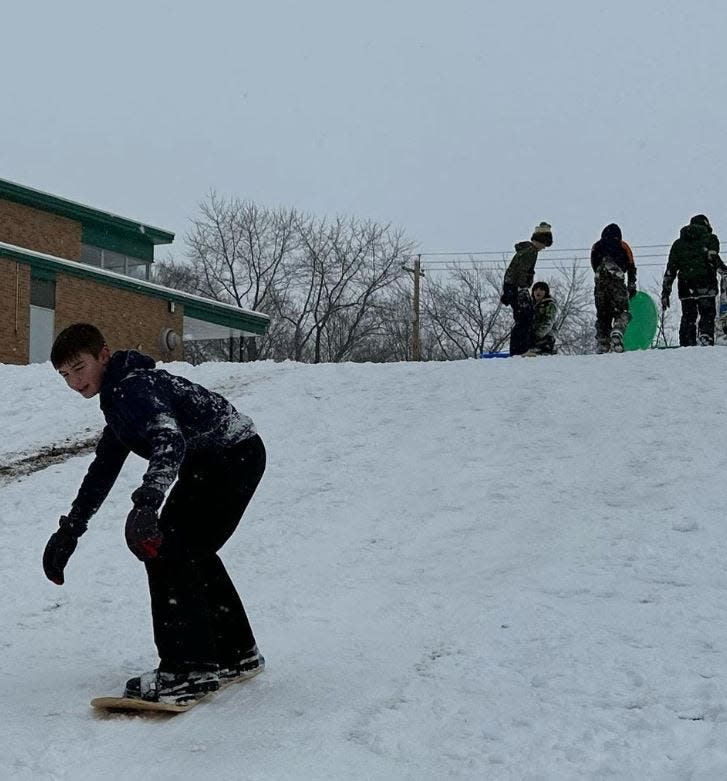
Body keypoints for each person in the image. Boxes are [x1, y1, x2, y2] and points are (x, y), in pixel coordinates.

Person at [42, 323, 266, 704]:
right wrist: (71, 530)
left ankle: (188, 670)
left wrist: (148, 502)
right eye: (65, 374)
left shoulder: (134, 389)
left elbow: (168, 437)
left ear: (103, 356)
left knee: (167, 550)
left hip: (230, 457)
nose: (73, 381)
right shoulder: (117, 396)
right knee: (188, 550)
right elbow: (103, 469)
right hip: (222, 458)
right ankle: (235, 653)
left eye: (79, 368)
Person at [661, 214, 725, 346]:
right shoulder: (710, 239)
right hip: (706, 284)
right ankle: (705, 335)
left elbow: (670, 270)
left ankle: (686, 342)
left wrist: (665, 293)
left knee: (688, 316)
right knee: (707, 313)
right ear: (706, 225)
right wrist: (724, 271)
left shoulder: (678, 244)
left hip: (686, 286)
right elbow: (713, 259)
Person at [500, 221, 553, 355]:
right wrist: (522, 290)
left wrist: (508, 292)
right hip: (517, 287)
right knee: (525, 317)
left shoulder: (525, 250)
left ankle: (518, 350)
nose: (544, 248)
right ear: (540, 241)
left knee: (522, 317)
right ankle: (520, 350)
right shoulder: (531, 252)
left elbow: (512, 271)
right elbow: (522, 271)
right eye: (544, 244)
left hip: (511, 286)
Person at [590, 223, 637, 353]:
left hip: (600, 285)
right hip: (617, 283)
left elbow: (594, 264)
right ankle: (617, 331)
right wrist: (631, 285)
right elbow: (631, 266)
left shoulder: (597, 246)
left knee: (603, 315)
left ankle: (602, 342)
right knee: (622, 311)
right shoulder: (623, 246)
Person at [529, 281, 558, 355]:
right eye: (535, 290)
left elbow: (548, 322)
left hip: (546, 338)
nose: (538, 292)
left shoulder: (549, 305)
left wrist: (536, 336)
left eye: (541, 290)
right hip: (532, 339)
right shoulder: (531, 305)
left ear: (546, 292)